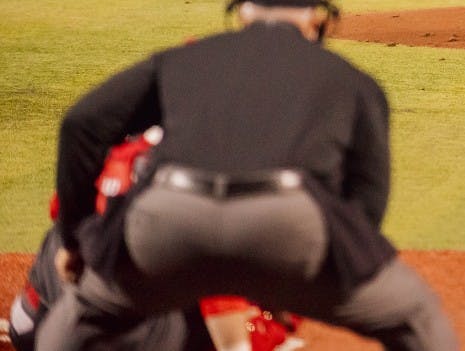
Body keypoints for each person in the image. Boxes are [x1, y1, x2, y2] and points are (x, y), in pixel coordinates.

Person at [36, 0, 459, 351]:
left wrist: (76, 241)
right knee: (415, 314)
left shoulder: (183, 59)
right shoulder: (352, 80)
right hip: (289, 226)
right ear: (316, 19)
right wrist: (324, 272)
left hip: (168, 220)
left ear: (242, 14)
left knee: (77, 320)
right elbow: (368, 202)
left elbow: (81, 124)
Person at [8, 126, 299, 351]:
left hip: (35, 324)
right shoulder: (210, 181)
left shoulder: (123, 144)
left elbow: (61, 207)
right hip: (125, 334)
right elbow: (227, 323)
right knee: (257, 326)